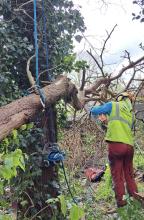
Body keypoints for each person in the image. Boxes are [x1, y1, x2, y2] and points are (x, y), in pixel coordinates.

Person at [89, 92, 138, 208]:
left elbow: (96, 111)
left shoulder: (113, 105)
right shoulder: (132, 114)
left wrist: (90, 108)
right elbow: (123, 125)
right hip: (129, 147)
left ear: (120, 98)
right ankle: (135, 200)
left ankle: (121, 203)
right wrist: (108, 121)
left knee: (117, 175)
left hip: (116, 145)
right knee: (129, 175)